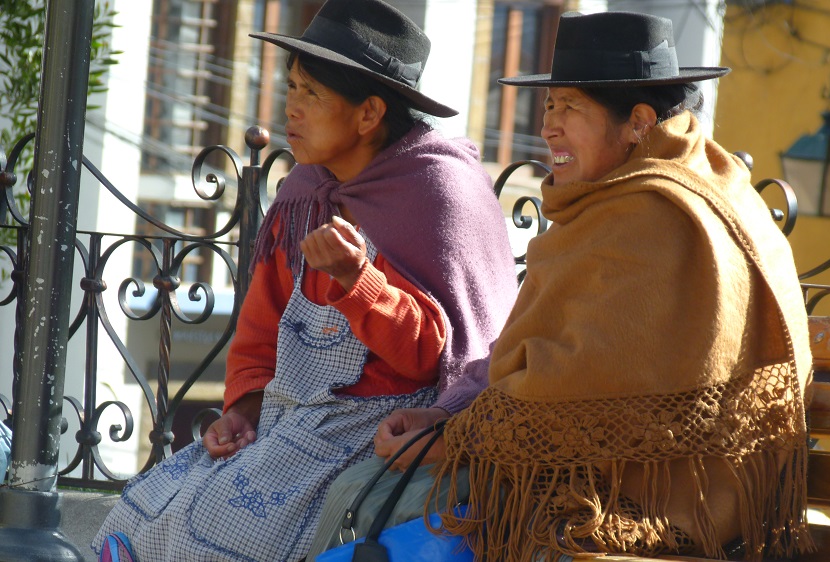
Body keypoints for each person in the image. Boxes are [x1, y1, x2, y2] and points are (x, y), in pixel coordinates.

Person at [346, 10, 814, 562]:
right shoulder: (708, 180)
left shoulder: (646, 215)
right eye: (549, 105)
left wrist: (454, 439)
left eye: (570, 106)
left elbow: (570, 386)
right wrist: (447, 418)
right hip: (684, 491)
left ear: (639, 121)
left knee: (378, 501)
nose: (548, 126)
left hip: (654, 510)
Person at [92, 1, 517, 560]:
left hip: (373, 431)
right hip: (285, 422)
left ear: (368, 114)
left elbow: (437, 357)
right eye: (291, 86)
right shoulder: (304, 192)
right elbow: (260, 329)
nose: (290, 107)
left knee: (216, 531)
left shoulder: (439, 194)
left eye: (312, 93)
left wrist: (357, 280)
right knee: (141, 510)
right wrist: (242, 412)